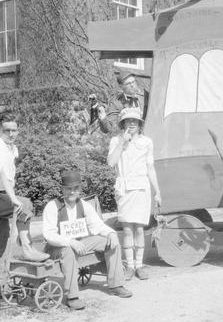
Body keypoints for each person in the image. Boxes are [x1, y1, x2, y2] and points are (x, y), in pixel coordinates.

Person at [0, 113, 49, 298]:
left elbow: (8, 174)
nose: (11, 134)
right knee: (25, 204)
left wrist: (9, 195)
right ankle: (27, 247)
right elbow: (1, 174)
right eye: (6, 130)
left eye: (14, 130)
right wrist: (13, 198)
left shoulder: (11, 148)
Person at [42, 169, 132, 310]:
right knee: (68, 251)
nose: (72, 192)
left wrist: (111, 234)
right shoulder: (53, 206)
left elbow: (97, 225)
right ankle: (72, 296)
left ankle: (116, 284)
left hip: (79, 243)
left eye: (75, 188)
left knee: (110, 242)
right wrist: (70, 242)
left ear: (80, 189)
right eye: (68, 189)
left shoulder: (84, 205)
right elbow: (49, 235)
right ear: (62, 189)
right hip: (57, 247)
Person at [107, 107, 161, 281]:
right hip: (124, 188)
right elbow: (111, 162)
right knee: (127, 228)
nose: (132, 124)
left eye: (135, 121)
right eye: (128, 121)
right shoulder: (116, 141)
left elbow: (150, 168)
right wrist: (123, 142)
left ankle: (139, 266)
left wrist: (157, 192)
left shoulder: (147, 142)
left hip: (141, 188)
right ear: (123, 123)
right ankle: (129, 266)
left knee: (139, 228)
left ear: (139, 124)